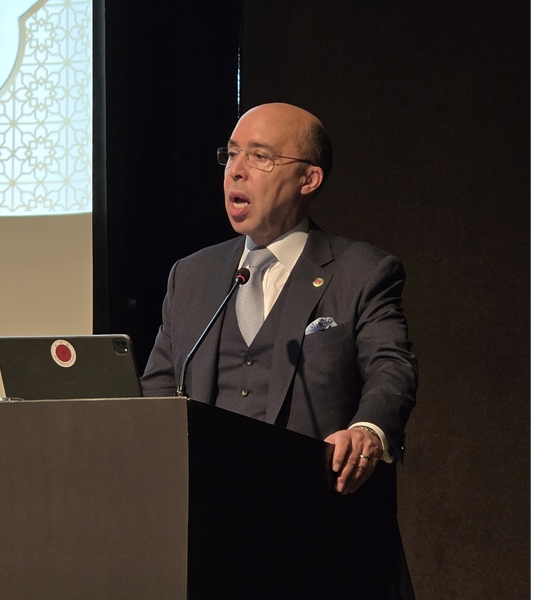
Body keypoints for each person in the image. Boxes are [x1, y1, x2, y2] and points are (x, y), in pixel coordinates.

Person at [141, 102, 417, 597]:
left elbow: (390, 367)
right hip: (207, 541)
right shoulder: (192, 276)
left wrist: (368, 430)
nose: (236, 170)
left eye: (260, 156)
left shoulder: (362, 272)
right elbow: (159, 390)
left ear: (309, 179)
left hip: (319, 541)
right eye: (231, 154)